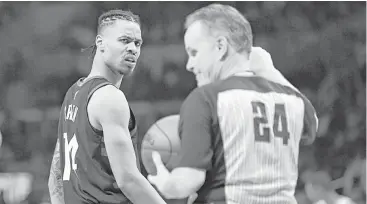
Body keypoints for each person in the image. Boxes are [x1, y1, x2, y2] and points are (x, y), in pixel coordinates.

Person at [148, 3, 318, 204]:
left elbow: (188, 181)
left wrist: (166, 183)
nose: (189, 65)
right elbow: (312, 123)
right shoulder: (292, 100)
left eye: (194, 53)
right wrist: (268, 69)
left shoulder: (205, 98)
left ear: (220, 47)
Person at [47, 9, 166, 204]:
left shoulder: (73, 93)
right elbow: (129, 180)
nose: (133, 48)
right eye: (124, 40)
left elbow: (55, 178)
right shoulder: (111, 98)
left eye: (137, 43)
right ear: (100, 43)